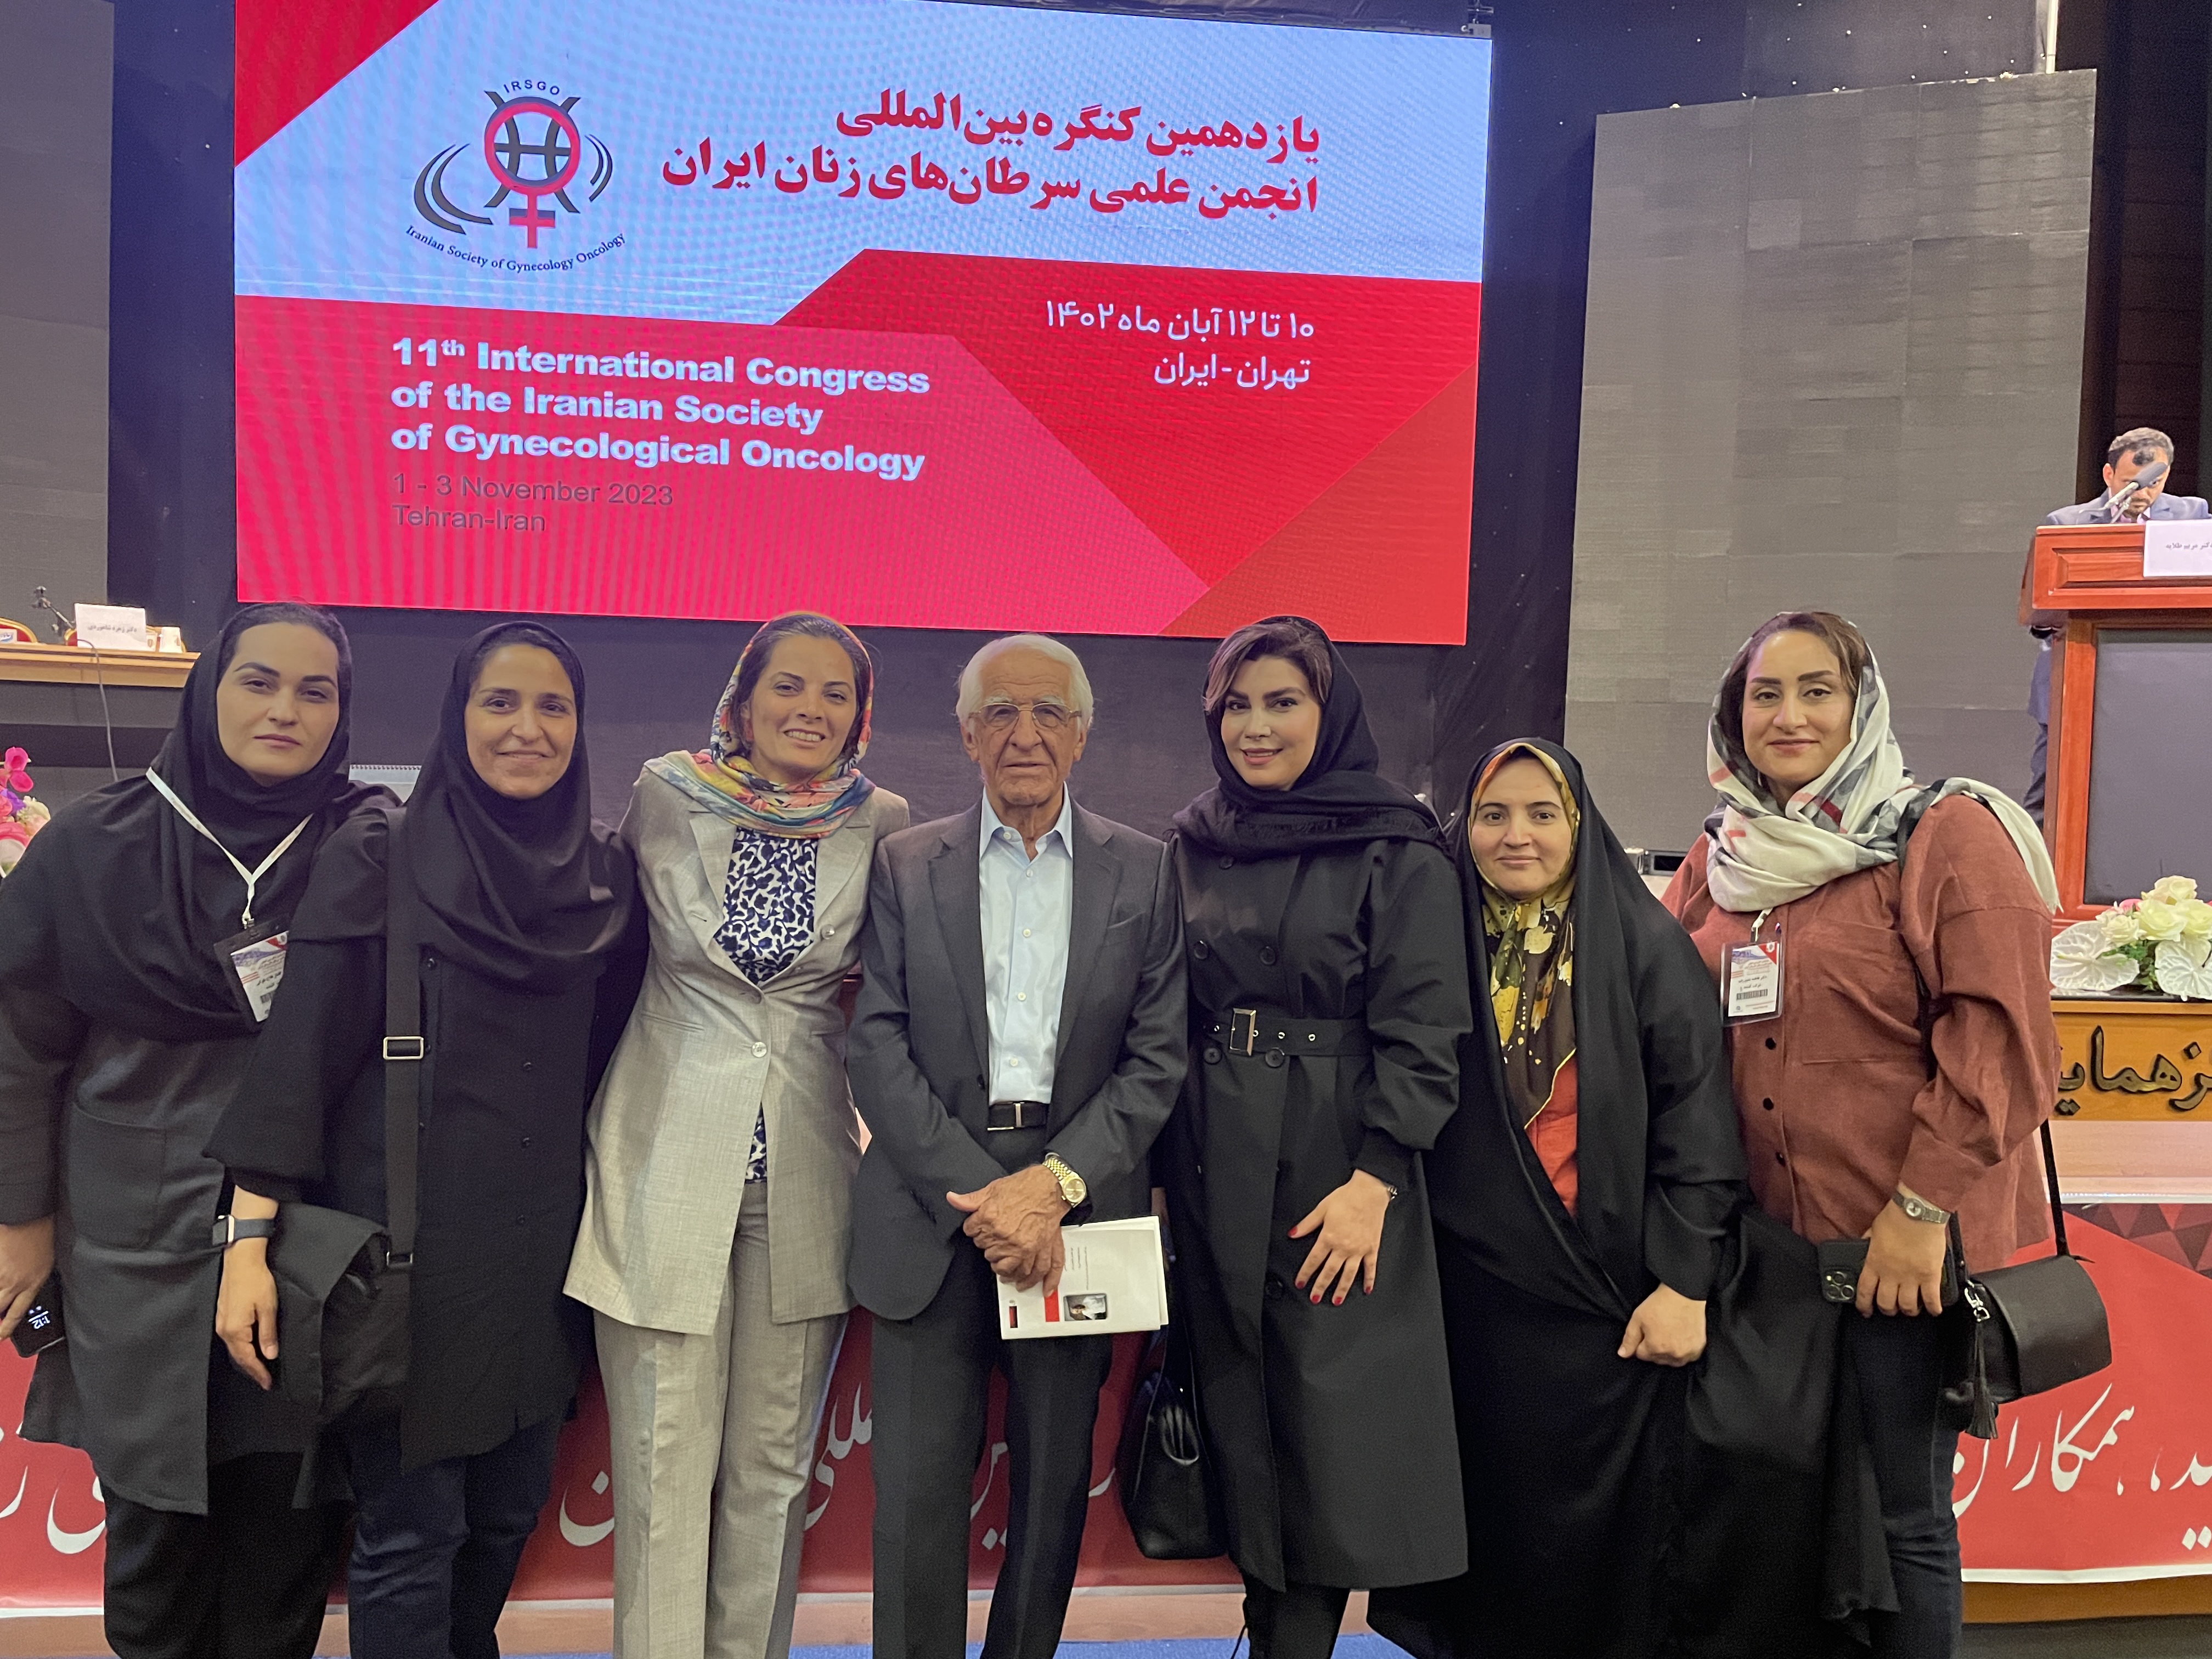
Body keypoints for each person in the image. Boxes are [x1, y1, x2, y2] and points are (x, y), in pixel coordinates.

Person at [206, 622, 640, 1659]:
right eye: (500, 702)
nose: (527, 728)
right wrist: (245, 1244)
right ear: (458, 716)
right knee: (411, 1535)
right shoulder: (382, 855)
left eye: (553, 706)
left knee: (505, 1518)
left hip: (544, 1262)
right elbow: (299, 1060)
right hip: (407, 1261)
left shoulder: (604, 879)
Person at [1664, 611, 2061, 1659]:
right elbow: (1652, 1014)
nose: (1787, 714)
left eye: (1817, 690)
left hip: (1899, 1252)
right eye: (1764, 693)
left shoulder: (1943, 834)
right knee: (1773, 1501)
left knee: (1900, 1514)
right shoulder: (1720, 856)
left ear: (1862, 704)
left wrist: (1918, 1212)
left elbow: (2003, 1043)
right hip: (1762, 1260)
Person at [0, 604, 385, 1659]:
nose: (285, 708)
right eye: (259, 680)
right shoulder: (95, 843)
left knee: (286, 1528)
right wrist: (22, 1219)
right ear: (208, 688)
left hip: (306, 1224)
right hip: (130, 1228)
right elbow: (20, 1042)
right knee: (154, 1537)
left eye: (315, 689)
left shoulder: (366, 842)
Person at [565, 612, 909, 1659]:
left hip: (806, 1161)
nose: (811, 708)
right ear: (743, 697)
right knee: (663, 1464)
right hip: (661, 1150)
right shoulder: (668, 793)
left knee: (772, 1466)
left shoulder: (882, 818)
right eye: (788, 685)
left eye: (836, 692)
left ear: (860, 712)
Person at [846, 633, 1186, 1659]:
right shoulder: (907, 864)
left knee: (1050, 1495)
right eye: (999, 712)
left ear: (1082, 735)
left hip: (1076, 1213)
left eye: (1048, 713)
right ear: (965, 734)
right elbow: (875, 1043)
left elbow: (1157, 1057)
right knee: (915, 1497)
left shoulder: (1146, 869)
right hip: (932, 1205)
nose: (1023, 733)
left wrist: (1053, 1184)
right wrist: (987, 1196)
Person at [1368, 738, 1745, 1659]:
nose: (1517, 836)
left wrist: (1684, 1279)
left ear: (1579, 824)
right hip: (1462, 1302)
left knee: (1592, 1547)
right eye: (1493, 814)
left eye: (1543, 814)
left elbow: (1698, 1125)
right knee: (1476, 1532)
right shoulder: (1430, 947)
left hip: (1604, 1304)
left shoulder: (1646, 950)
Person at [1161, 616, 1472, 1659]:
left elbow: (1427, 1031)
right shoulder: (1196, 840)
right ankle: (1268, 1634)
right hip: (1213, 1155)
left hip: (1340, 1164)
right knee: (1240, 1407)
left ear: (1328, 712)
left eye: (1282, 702)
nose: (1256, 726)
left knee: (1323, 1428)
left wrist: (1377, 1178)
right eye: (1236, 705)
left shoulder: (1397, 844)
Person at [2024, 426, 2210, 820]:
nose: (2142, 494)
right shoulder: (2070, 523)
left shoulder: (2192, 517)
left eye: (2154, 483)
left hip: (2165, 679)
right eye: (2131, 483)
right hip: (2076, 673)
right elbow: (2040, 611)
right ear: (2109, 475)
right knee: (2049, 797)